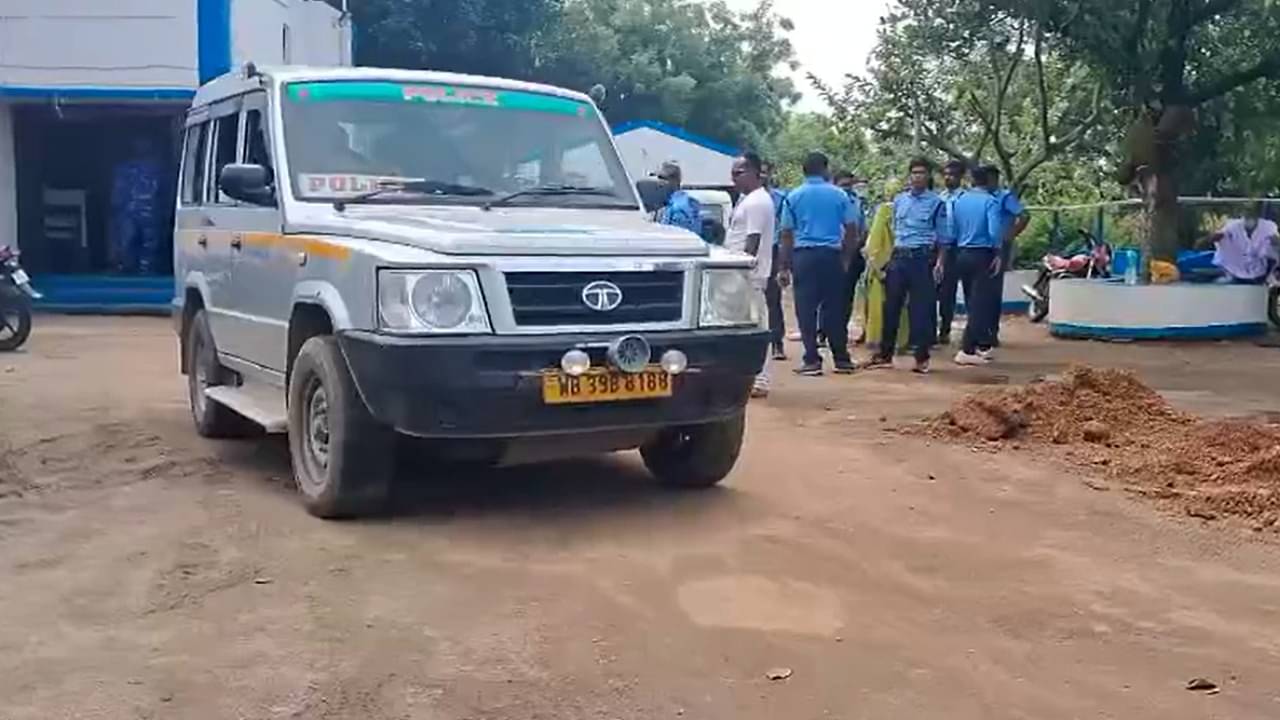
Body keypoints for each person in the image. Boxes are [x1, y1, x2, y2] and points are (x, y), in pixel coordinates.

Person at [777, 152, 860, 376]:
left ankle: (812, 359)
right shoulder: (840, 195)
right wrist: (845, 258)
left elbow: (786, 233)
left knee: (806, 309)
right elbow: (852, 230)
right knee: (834, 308)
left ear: (804, 171)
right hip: (831, 256)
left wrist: (784, 266)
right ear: (825, 170)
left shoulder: (793, 197)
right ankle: (842, 359)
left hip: (804, 257)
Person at [864, 158, 944, 374]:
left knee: (921, 310)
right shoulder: (899, 201)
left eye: (922, 173)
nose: (917, 176)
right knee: (890, 307)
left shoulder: (936, 203)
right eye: (914, 173)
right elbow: (897, 229)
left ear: (928, 177)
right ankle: (885, 354)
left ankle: (921, 357)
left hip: (922, 258)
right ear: (909, 176)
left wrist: (940, 262)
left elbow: (943, 236)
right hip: (899, 257)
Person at [726, 152, 777, 398]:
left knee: (757, 326)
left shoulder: (757, 201)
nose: (734, 178)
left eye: (739, 172)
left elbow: (752, 241)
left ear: (756, 172)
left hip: (748, 274)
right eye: (733, 173)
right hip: (742, 273)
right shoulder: (748, 199)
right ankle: (749, 377)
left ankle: (762, 380)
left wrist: (742, 271)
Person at [949, 165, 1005, 366]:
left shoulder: (959, 200)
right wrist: (998, 253)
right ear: (988, 182)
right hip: (983, 254)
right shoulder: (991, 201)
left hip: (962, 253)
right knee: (981, 303)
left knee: (972, 301)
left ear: (972, 181)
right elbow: (994, 230)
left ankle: (979, 345)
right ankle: (966, 349)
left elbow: (952, 229)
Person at [981, 165, 1029, 350]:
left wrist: (1011, 234)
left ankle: (991, 333)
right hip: (981, 245)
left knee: (992, 289)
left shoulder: (1005, 197)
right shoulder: (980, 198)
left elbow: (1024, 215)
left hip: (999, 246)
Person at [860, 197, 910, 357]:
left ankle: (878, 341)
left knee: (879, 306)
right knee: (901, 307)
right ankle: (901, 341)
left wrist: (875, 266)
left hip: (881, 265)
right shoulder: (908, 211)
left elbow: (873, 244)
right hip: (902, 263)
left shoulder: (883, 211)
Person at [110, 137, 164, 275]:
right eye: (138, 143)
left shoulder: (158, 168)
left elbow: (164, 190)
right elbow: (118, 190)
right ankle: (127, 268)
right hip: (129, 211)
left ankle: (146, 269)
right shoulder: (124, 168)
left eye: (145, 143)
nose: (141, 146)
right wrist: (116, 206)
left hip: (150, 211)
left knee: (149, 243)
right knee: (127, 241)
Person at [1190, 203, 1280, 283]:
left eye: (1251, 211)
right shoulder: (1233, 225)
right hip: (1232, 269)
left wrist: (1275, 243)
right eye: (1247, 211)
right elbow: (1218, 235)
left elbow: (1274, 240)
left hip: (1259, 272)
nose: (1249, 214)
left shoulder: (1268, 226)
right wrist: (1205, 241)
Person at [833, 170, 869, 347]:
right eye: (843, 185)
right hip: (833, 252)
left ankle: (840, 330)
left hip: (853, 254)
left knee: (847, 296)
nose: (846, 189)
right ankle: (825, 331)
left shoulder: (858, 203)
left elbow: (863, 229)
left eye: (849, 185)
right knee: (829, 296)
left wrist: (855, 246)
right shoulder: (831, 201)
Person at [936, 160, 967, 345]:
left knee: (950, 289)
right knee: (937, 288)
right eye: (946, 174)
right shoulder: (940, 197)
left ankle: (946, 328)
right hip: (940, 246)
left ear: (961, 177)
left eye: (953, 174)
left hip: (958, 246)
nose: (948, 177)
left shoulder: (965, 198)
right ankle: (936, 328)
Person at [761, 161, 789, 360]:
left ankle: (777, 342)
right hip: (753, 253)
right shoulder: (744, 199)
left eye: (765, 172)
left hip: (772, 250)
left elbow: (784, 230)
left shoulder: (780, 199)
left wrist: (782, 263)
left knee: (773, 299)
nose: (762, 176)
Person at [656, 161, 703, 236]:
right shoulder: (669, 203)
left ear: (674, 181)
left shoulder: (679, 208)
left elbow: (676, 236)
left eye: (663, 179)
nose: (659, 183)